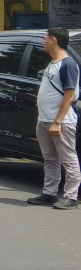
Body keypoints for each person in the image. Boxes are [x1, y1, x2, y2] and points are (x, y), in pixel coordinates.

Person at [28, 27, 80, 209]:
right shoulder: (53, 63)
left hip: (61, 122)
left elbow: (70, 95)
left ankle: (71, 197)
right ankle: (49, 193)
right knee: (50, 158)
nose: (43, 41)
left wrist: (57, 121)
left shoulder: (68, 64)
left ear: (53, 40)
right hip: (44, 119)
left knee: (68, 158)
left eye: (45, 38)